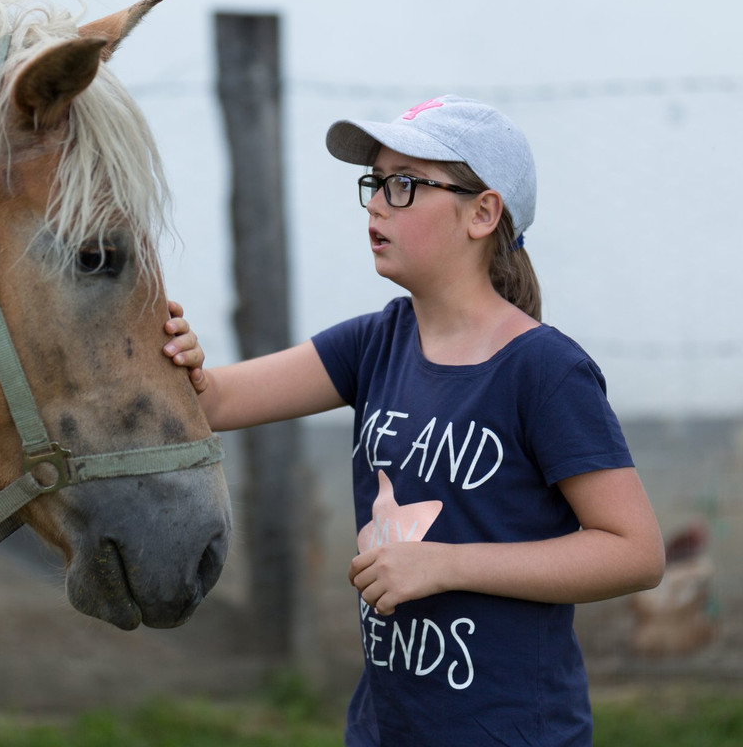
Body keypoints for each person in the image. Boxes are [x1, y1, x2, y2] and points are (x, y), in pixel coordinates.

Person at [162, 95, 665, 746]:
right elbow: (216, 403)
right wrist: (181, 357)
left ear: (483, 213)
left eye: (404, 184)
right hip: (384, 730)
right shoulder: (375, 344)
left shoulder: (544, 370)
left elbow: (635, 552)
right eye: (375, 182)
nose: (376, 203)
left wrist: (448, 565)